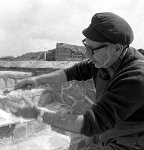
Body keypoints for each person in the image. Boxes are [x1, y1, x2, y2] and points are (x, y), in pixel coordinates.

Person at [8, 12, 144, 149]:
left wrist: (37, 114)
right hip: (108, 132)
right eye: (86, 46)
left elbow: (91, 123)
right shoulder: (104, 61)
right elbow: (72, 72)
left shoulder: (136, 77)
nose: (87, 55)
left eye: (92, 50)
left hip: (132, 141)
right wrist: (37, 80)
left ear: (117, 48)